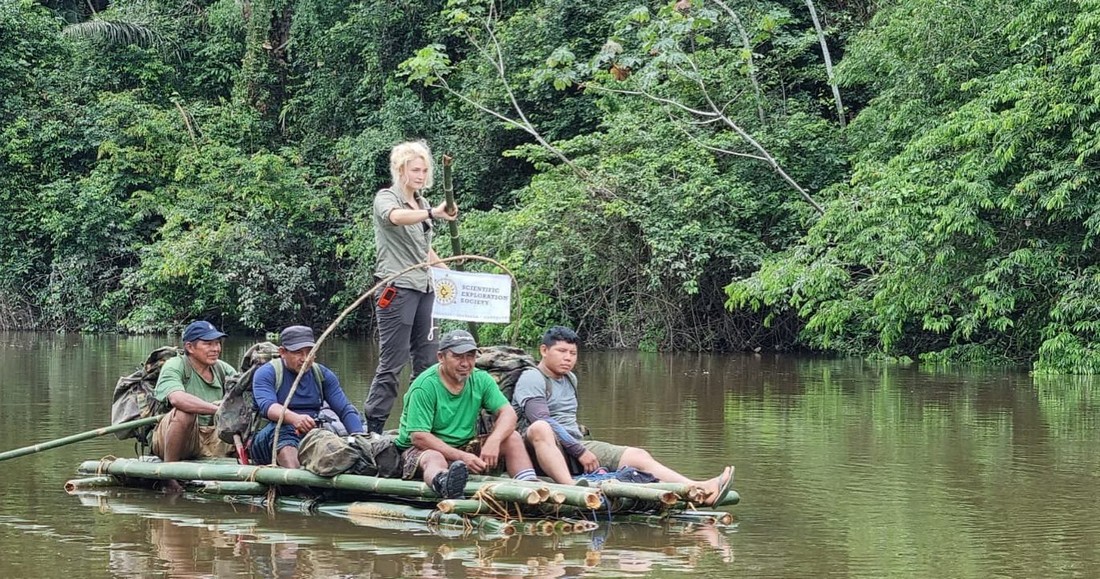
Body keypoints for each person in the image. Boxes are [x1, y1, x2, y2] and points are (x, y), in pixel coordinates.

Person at [516, 326, 734, 505]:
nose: (568, 358)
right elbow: (541, 418)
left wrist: (580, 447)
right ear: (544, 351)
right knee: (541, 427)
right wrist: (579, 450)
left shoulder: (570, 378)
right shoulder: (532, 378)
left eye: (572, 353)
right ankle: (570, 489)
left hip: (573, 444)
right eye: (561, 351)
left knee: (638, 455)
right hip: (540, 448)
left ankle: (698, 489)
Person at [363, 140, 459, 434]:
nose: (420, 175)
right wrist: (432, 214)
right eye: (415, 169)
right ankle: (374, 428)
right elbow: (395, 218)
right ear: (400, 170)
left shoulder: (423, 203)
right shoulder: (386, 198)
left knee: (429, 361)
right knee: (393, 361)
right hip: (397, 287)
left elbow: (424, 250)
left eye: (424, 170)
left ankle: (418, 425)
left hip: (426, 287)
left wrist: (449, 273)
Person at [394, 329, 539, 499]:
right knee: (434, 457)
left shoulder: (481, 379)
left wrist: (494, 440)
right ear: (441, 357)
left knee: (512, 438)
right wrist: (461, 456)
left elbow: (508, 413)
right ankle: (444, 483)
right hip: (423, 449)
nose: (465, 363)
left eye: (470, 356)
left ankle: (530, 489)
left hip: (464, 445)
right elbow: (419, 436)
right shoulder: (425, 386)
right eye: (458, 356)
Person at [249, 325, 366, 468]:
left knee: (343, 435)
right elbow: (268, 407)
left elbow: (344, 409)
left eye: (309, 352)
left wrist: (359, 438)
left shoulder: (322, 375)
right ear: (282, 352)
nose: (305, 359)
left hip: (310, 436)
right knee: (284, 429)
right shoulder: (266, 373)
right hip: (268, 439)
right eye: (298, 353)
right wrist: (295, 419)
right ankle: (297, 481)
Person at [151, 320, 237, 491]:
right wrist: (217, 409)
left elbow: (243, 395)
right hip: (179, 436)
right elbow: (177, 399)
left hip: (214, 436)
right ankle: (170, 475)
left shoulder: (222, 369)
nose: (216, 349)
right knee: (185, 412)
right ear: (190, 347)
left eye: (217, 343)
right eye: (208, 344)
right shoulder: (175, 365)